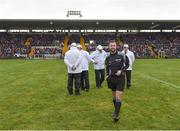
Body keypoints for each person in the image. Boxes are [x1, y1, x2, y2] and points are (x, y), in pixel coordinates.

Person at [105, 40, 129, 122]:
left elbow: (128, 64)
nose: (112, 47)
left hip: (120, 79)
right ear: (109, 46)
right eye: (111, 45)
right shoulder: (107, 57)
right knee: (114, 97)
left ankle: (116, 115)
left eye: (114, 45)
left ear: (116, 46)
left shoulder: (122, 55)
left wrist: (122, 71)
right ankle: (116, 110)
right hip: (111, 79)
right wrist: (107, 75)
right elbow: (107, 67)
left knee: (118, 96)